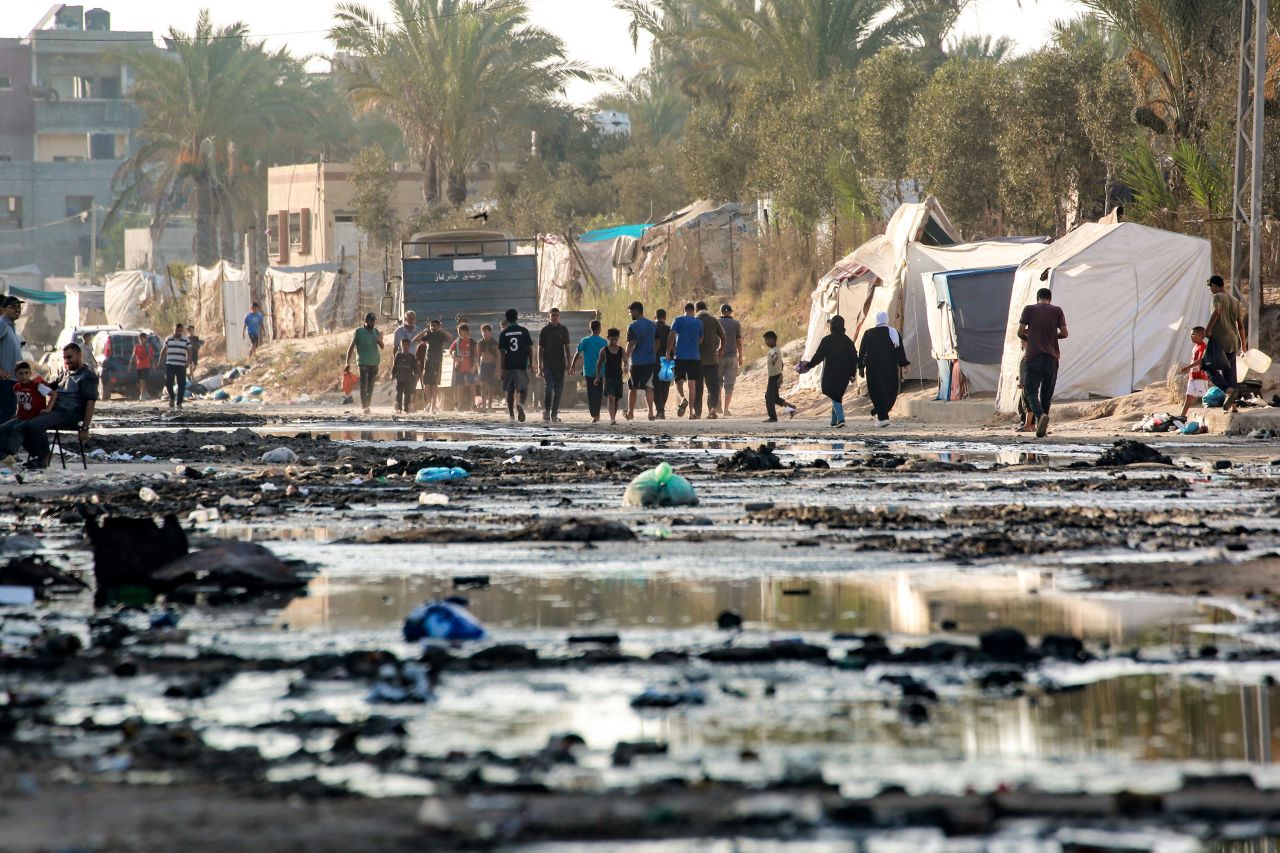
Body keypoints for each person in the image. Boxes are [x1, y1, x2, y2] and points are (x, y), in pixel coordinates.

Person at [0, 343, 96, 470]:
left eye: (70, 357)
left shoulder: (87, 376)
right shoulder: (65, 373)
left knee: (34, 424)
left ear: (79, 355)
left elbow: (90, 402)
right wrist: (34, 382)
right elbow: (49, 387)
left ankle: (44, 457)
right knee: (24, 422)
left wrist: (85, 428)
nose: (67, 361)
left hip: (70, 414)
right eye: (65, 358)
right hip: (55, 412)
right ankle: (29, 455)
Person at [1017, 286, 1068, 438]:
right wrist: (1052, 337)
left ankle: (1040, 415)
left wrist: (1030, 340)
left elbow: (1019, 332)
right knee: (1047, 393)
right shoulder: (1057, 310)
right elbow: (1065, 334)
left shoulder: (1029, 309)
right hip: (1052, 357)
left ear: (1037, 298)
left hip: (1033, 356)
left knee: (1030, 391)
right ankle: (1042, 427)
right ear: (1050, 299)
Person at [797, 315, 857, 428]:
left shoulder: (827, 340)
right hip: (844, 375)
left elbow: (818, 356)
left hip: (830, 374)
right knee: (837, 394)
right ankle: (834, 421)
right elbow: (854, 358)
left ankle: (841, 419)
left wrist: (809, 365)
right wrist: (852, 373)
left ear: (832, 326)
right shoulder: (848, 341)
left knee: (832, 393)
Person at [1204, 275, 1248, 411]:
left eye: (1210, 287)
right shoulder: (1235, 301)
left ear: (1214, 286)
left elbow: (1216, 312)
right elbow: (1240, 325)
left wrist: (1208, 330)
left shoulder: (1217, 297)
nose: (1210, 290)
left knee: (1209, 369)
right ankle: (1233, 406)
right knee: (1229, 372)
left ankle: (1229, 391)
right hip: (1233, 340)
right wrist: (1244, 346)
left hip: (1219, 339)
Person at [859, 312, 910, 428]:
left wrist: (860, 367)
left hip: (873, 369)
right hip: (890, 368)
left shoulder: (869, 333)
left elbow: (862, 352)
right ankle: (882, 416)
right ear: (886, 319)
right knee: (890, 391)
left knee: (876, 392)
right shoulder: (893, 333)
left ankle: (881, 415)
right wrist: (904, 364)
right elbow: (899, 351)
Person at [667, 302, 703, 418]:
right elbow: (701, 339)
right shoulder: (699, 322)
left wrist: (669, 351)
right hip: (694, 357)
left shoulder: (678, 320)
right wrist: (693, 343)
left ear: (685, 310)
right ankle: (691, 413)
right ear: (693, 311)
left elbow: (672, 335)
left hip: (681, 356)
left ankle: (683, 398)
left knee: (678, 382)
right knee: (692, 385)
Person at [499, 308, 534, 422]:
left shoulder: (504, 333)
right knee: (523, 389)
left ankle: (511, 416)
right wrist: (531, 362)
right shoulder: (523, 331)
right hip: (521, 364)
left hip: (509, 365)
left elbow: (502, 352)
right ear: (516, 317)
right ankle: (521, 404)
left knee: (510, 390)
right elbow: (529, 348)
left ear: (507, 319)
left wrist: (501, 367)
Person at [345, 312, 384, 414]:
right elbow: (351, 347)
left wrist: (380, 340)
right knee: (364, 384)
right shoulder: (359, 332)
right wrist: (347, 362)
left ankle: (368, 405)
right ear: (365, 321)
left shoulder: (375, 331)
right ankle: (364, 406)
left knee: (370, 386)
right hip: (363, 362)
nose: (372, 323)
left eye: (374, 321)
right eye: (371, 321)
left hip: (374, 362)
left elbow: (382, 346)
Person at [625, 301, 657, 421]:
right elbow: (657, 341)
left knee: (632, 387)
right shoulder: (652, 325)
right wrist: (653, 352)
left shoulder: (632, 326)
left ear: (636, 311)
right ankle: (650, 413)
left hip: (636, 361)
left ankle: (631, 413)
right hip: (650, 360)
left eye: (630, 312)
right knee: (649, 386)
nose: (630, 314)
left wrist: (626, 359)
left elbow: (631, 344)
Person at [571, 319, 607, 423]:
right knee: (599, 393)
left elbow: (577, 353)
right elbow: (606, 357)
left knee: (591, 393)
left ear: (590, 328)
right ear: (599, 329)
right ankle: (597, 414)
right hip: (600, 372)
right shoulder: (603, 342)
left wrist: (572, 365)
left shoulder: (585, 341)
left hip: (589, 371)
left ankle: (594, 415)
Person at [538, 308, 572, 422]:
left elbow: (567, 347)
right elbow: (540, 349)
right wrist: (539, 366)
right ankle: (547, 411)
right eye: (552, 315)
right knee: (548, 388)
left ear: (559, 317)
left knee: (558, 391)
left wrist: (569, 363)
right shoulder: (544, 330)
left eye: (556, 315)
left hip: (560, 365)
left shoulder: (563, 330)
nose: (555, 317)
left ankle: (554, 414)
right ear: (549, 317)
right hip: (548, 365)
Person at [696, 301, 726, 419]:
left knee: (698, 387)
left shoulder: (695, 321)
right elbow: (723, 337)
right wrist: (721, 349)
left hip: (697, 360)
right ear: (706, 308)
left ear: (696, 309)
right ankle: (712, 409)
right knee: (713, 386)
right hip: (713, 360)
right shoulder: (713, 320)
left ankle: (697, 412)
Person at [417, 318, 452, 414]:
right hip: (428, 362)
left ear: (438, 326)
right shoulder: (428, 335)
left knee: (434, 385)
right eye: (431, 325)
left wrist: (442, 330)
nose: (432, 327)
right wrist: (423, 332)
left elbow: (449, 337)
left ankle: (432, 408)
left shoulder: (440, 335)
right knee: (426, 386)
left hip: (437, 362)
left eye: (435, 325)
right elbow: (415, 340)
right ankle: (432, 404)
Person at [762, 330, 796, 422]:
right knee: (775, 398)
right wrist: (780, 373)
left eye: (767, 340)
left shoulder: (774, 350)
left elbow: (776, 357)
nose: (766, 342)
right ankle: (790, 408)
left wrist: (774, 362)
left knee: (769, 397)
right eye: (765, 340)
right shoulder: (774, 350)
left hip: (774, 377)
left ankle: (773, 417)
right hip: (774, 376)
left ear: (773, 339)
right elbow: (781, 363)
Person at [595, 328, 627, 426]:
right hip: (608, 377)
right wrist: (598, 377)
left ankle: (613, 416)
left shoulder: (621, 350)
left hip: (618, 377)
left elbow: (626, 361)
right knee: (611, 398)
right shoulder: (604, 350)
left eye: (615, 339)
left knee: (616, 399)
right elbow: (599, 364)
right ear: (608, 338)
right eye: (611, 339)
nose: (613, 341)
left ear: (617, 339)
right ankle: (612, 418)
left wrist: (626, 367)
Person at [1178, 325, 1211, 419]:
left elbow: (1201, 360)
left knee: (1205, 398)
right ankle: (1182, 416)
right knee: (1189, 396)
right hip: (1193, 376)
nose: (1190, 336)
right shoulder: (1195, 347)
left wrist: (1188, 367)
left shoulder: (1203, 346)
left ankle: (1206, 418)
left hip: (1200, 376)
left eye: (1193, 334)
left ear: (1201, 335)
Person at [0, 297, 24, 423]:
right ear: (4, 309)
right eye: (13, 307)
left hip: (12, 381)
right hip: (5, 381)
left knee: (9, 415)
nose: (17, 309)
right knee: (5, 416)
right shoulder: (2, 324)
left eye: (19, 307)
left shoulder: (11, 326)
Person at [718, 303, 744, 416]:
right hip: (732, 357)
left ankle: (717, 407)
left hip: (719, 356)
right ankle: (725, 410)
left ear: (721, 312)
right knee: (729, 385)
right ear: (731, 312)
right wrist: (740, 356)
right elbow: (739, 341)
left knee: (717, 383)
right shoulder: (736, 324)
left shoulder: (717, 322)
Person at [159, 323, 190, 410]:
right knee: (168, 382)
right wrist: (160, 361)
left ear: (182, 331)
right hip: (170, 364)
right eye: (177, 330)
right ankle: (172, 397)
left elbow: (189, 350)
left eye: (180, 330)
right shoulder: (169, 339)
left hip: (181, 365)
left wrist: (188, 360)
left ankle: (179, 403)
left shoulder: (185, 340)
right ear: (174, 329)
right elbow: (164, 350)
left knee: (181, 384)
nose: (178, 332)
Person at [450, 323, 479, 411]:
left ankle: (473, 404)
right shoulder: (457, 341)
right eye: (458, 331)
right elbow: (450, 351)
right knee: (459, 386)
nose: (458, 333)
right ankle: (460, 405)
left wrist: (474, 366)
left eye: (460, 331)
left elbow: (477, 355)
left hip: (470, 368)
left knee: (472, 385)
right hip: (459, 368)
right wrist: (455, 357)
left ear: (466, 331)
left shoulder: (472, 342)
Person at [653, 308, 672, 419]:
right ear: (665, 317)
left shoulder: (652, 328)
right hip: (667, 359)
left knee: (656, 386)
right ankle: (662, 409)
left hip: (654, 359)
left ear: (654, 317)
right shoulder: (670, 329)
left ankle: (659, 409)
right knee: (665, 386)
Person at [391, 338, 419, 414]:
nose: (404, 346)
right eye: (403, 345)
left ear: (409, 346)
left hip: (408, 378)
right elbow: (395, 365)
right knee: (399, 393)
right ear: (401, 345)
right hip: (399, 377)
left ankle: (406, 408)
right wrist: (393, 374)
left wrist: (416, 374)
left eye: (406, 345)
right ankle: (398, 408)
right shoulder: (398, 355)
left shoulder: (411, 356)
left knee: (407, 393)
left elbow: (415, 367)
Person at [478, 324, 499, 411]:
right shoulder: (480, 343)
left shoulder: (494, 342)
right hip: (483, 365)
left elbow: (498, 356)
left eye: (486, 332)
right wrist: (479, 368)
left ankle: (490, 406)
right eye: (483, 332)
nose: (484, 333)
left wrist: (497, 369)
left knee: (491, 387)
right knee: (483, 386)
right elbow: (478, 357)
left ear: (490, 332)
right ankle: (484, 406)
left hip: (492, 365)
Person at [131, 332, 153, 400]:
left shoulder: (148, 346)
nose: (142, 340)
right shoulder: (137, 346)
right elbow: (134, 355)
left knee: (142, 380)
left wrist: (153, 363)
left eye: (143, 339)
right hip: (139, 366)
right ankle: (145, 391)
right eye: (140, 339)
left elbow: (151, 356)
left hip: (146, 366)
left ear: (146, 339)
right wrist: (130, 364)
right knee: (138, 383)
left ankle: (142, 395)